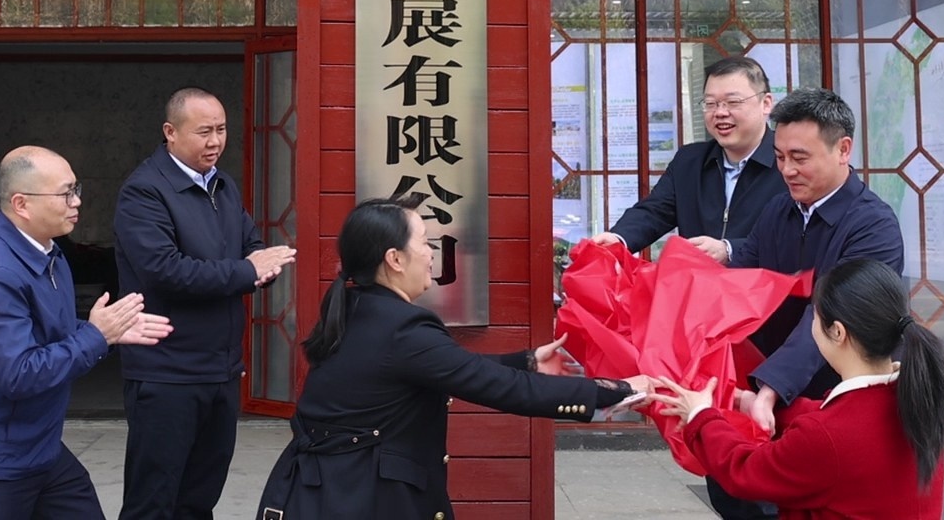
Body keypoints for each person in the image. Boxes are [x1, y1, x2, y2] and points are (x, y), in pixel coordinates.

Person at [258, 195, 653, 520]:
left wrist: (528, 360)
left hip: (324, 491)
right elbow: (500, 388)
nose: (432, 253)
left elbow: (451, 370)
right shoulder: (402, 328)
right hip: (359, 498)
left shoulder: (360, 307)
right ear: (395, 259)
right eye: (424, 242)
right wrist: (614, 390)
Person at [0, 146, 173, 520]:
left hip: (42, 450)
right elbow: (18, 373)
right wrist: (97, 336)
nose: (76, 201)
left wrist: (107, 332)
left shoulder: (48, 253)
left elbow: (48, 334)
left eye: (76, 189)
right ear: (22, 204)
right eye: (65, 193)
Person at [714, 87, 907, 519]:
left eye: (800, 157)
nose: (787, 170)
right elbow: (741, 282)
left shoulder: (873, 226)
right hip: (772, 397)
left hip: (839, 403)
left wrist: (770, 388)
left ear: (843, 150)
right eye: (779, 157)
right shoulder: (778, 211)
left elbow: (826, 315)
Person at [645, 257, 944, 519]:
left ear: (838, 332)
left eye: (814, 317)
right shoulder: (916, 399)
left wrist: (701, 416)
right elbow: (831, 417)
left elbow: (745, 472)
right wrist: (751, 402)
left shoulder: (827, 436)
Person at [114, 88, 295, 520]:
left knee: (200, 498)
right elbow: (166, 271)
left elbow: (250, 244)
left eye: (222, 130)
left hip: (221, 369)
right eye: (204, 132)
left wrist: (261, 266)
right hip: (167, 372)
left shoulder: (222, 184)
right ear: (170, 132)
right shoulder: (144, 192)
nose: (215, 142)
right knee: (153, 502)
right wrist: (247, 271)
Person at [594, 56, 787, 264]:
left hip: (768, 283)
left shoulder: (789, 164)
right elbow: (655, 211)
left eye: (733, 102)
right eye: (710, 103)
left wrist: (730, 249)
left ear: (766, 104)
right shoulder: (689, 161)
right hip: (697, 283)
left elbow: (797, 236)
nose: (720, 112)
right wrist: (619, 239)